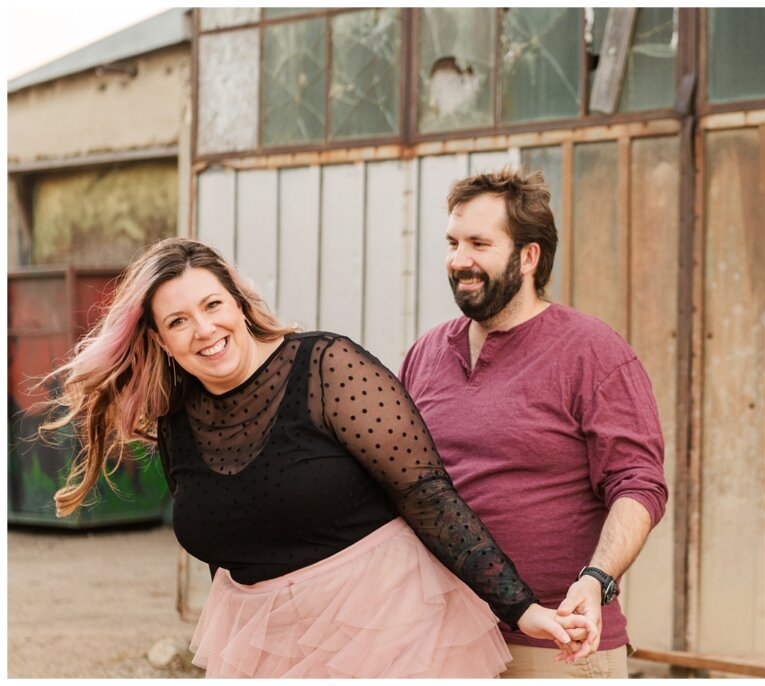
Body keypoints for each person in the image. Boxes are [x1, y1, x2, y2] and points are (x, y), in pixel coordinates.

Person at [42, 237, 597, 678]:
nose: (205, 330)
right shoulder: (177, 422)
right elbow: (228, 534)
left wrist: (521, 607)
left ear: (238, 302)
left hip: (386, 630)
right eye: (179, 321)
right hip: (264, 649)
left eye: (212, 305)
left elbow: (426, 493)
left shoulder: (326, 367)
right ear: (162, 341)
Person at [399, 168, 669, 678]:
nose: (459, 260)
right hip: (440, 640)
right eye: (453, 242)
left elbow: (639, 484)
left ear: (529, 256)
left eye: (479, 243)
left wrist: (596, 579)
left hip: (556, 644)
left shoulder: (592, 352)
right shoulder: (426, 353)